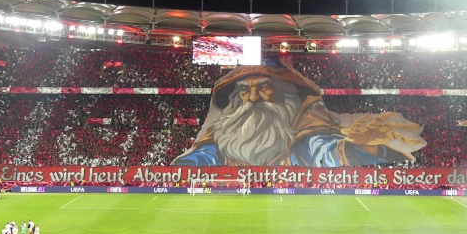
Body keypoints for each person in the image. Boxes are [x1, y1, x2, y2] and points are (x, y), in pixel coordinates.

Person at [173, 57, 425, 167]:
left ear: (285, 95)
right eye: (244, 90)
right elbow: (198, 160)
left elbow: (324, 150)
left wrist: (358, 145)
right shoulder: (219, 140)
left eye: (264, 87)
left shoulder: (306, 134)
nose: (253, 97)